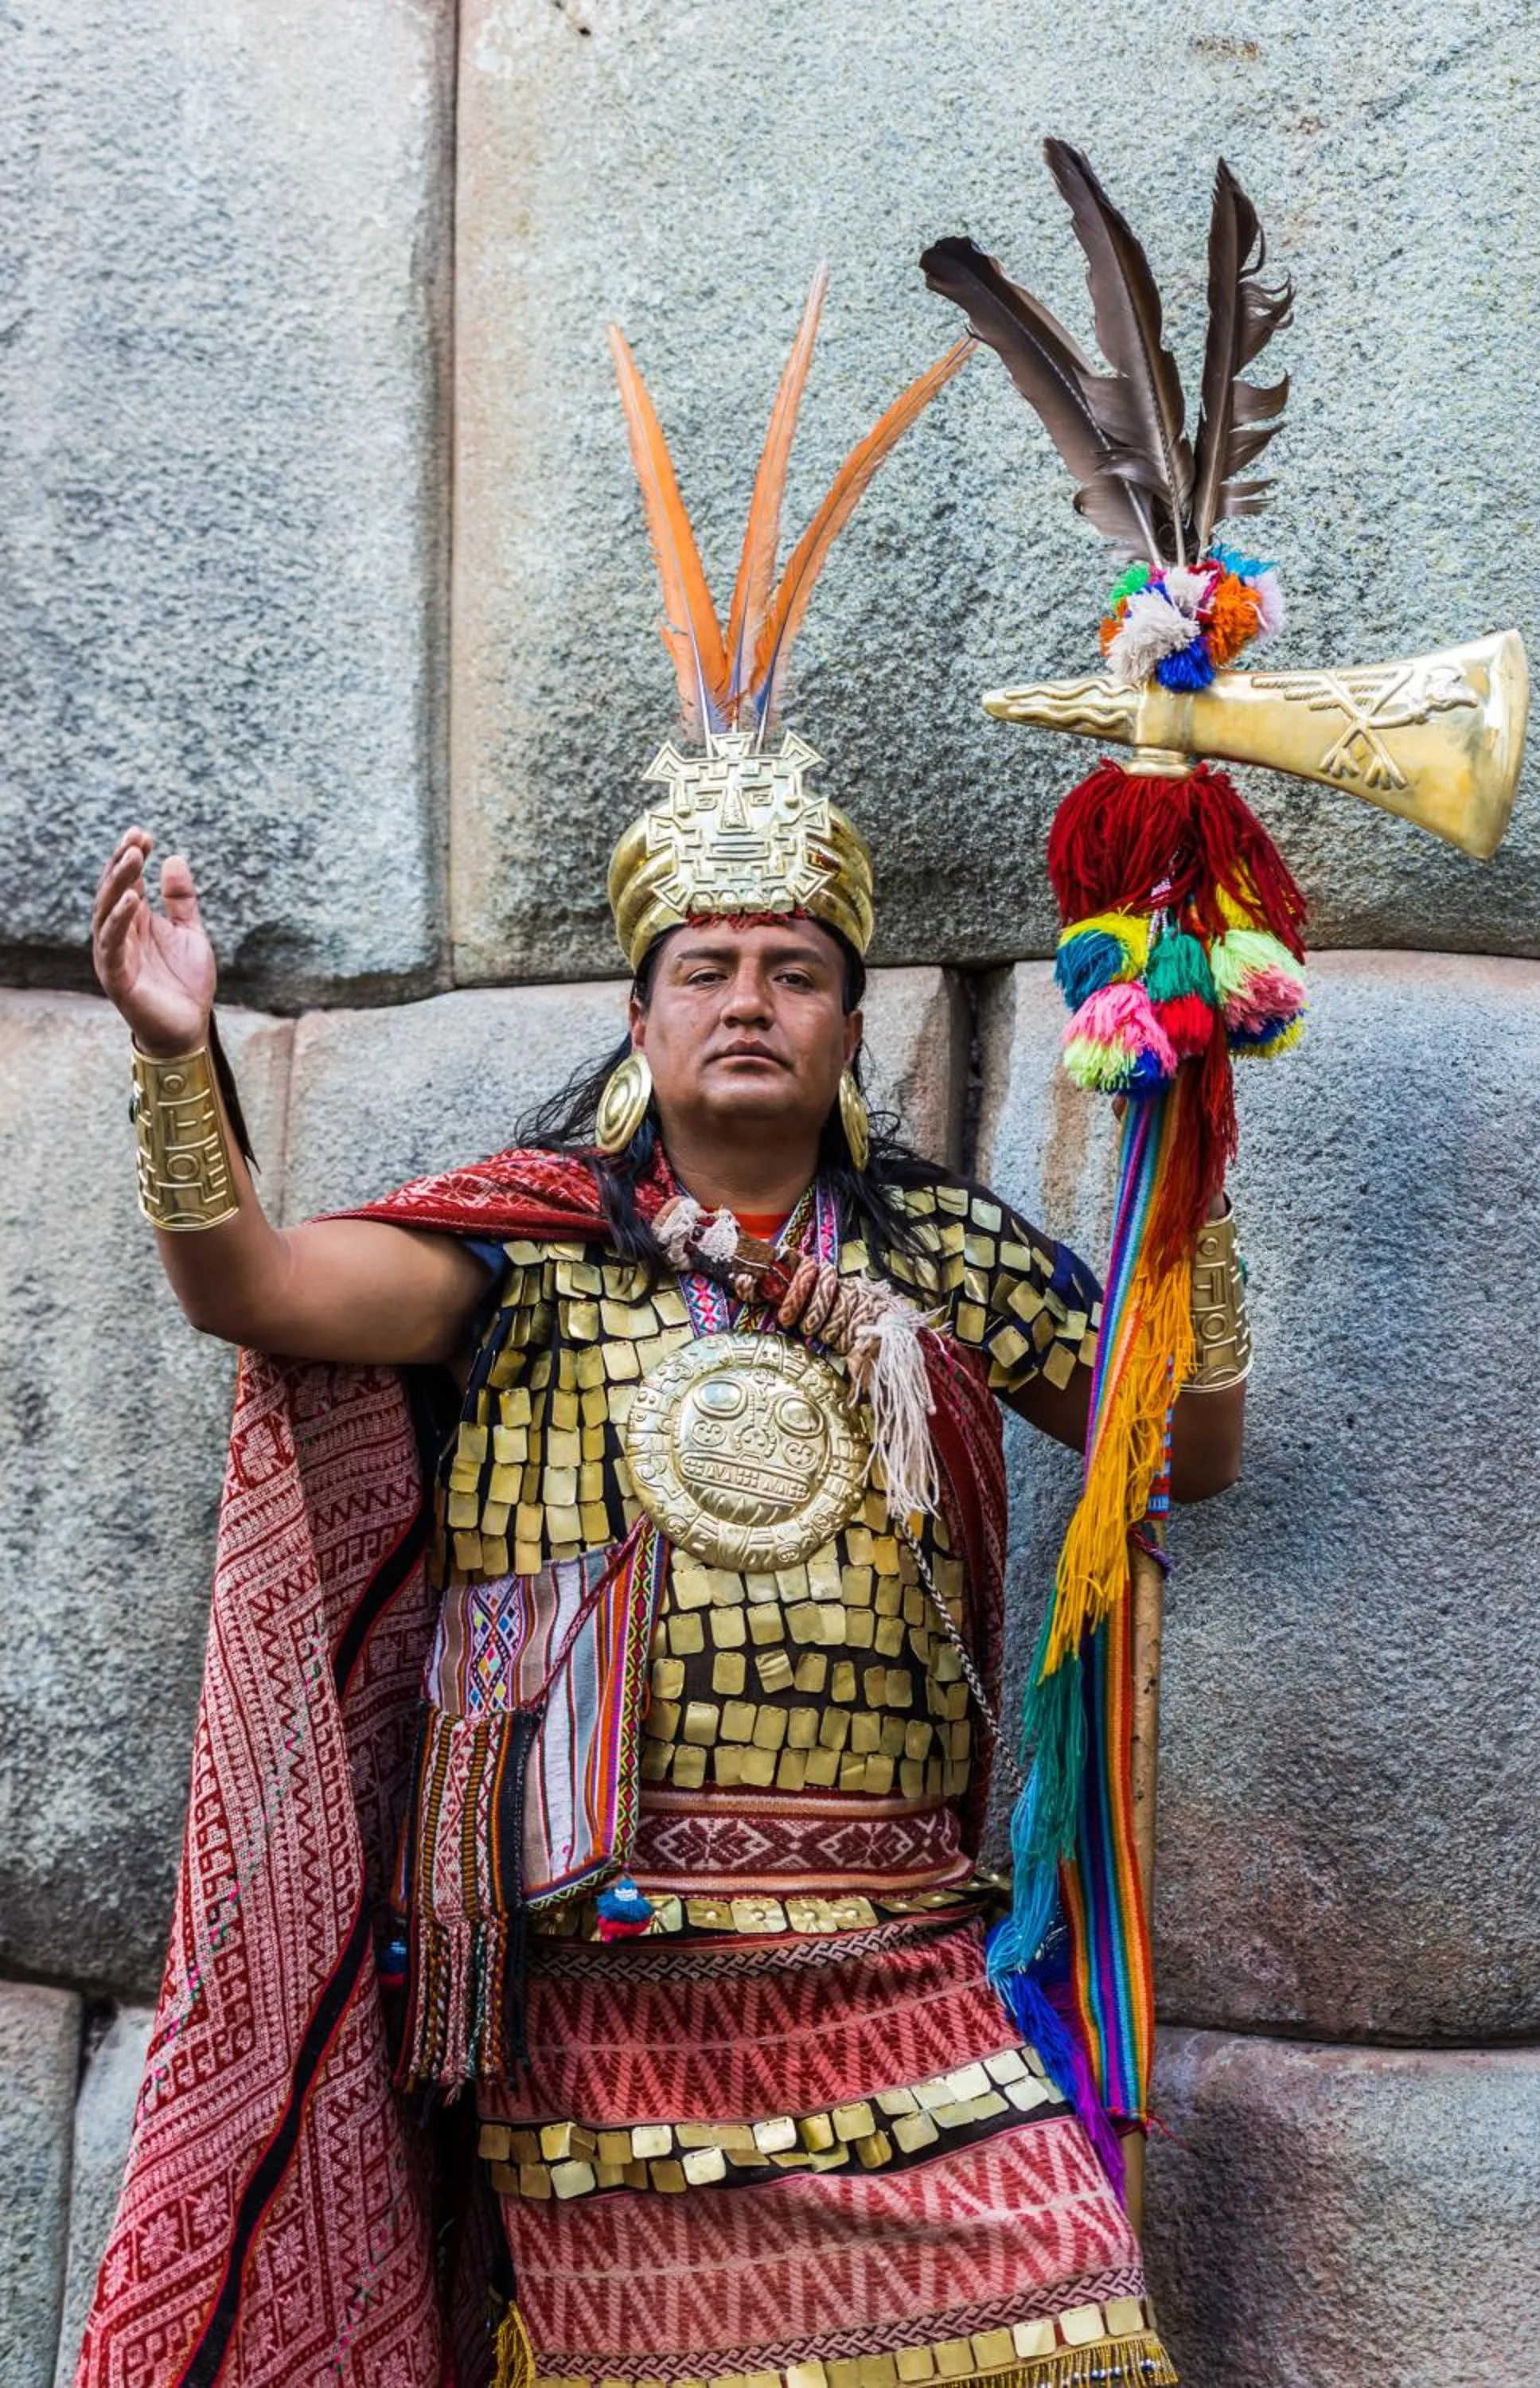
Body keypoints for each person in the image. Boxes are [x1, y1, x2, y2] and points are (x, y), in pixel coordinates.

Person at [80, 287, 1247, 2388]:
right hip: (612, 1983)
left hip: (905, 1960)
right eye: (704, 962)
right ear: (638, 1013)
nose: (747, 997)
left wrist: (1200, 1160)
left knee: (1077, 2322)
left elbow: (1188, 1448)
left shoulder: (947, 1271)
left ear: (847, 1016)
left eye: (795, 968)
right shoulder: (525, 1266)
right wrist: (181, 1059)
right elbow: (250, 1286)